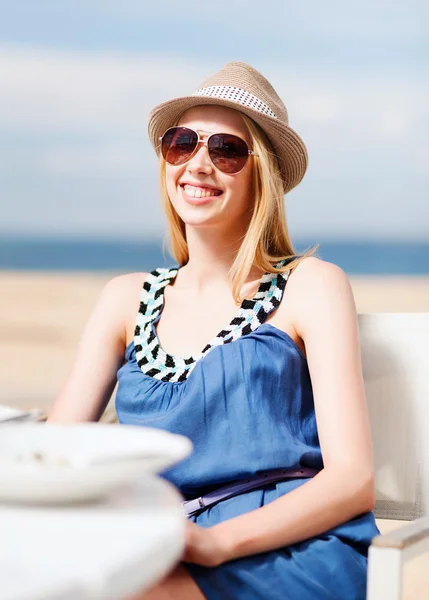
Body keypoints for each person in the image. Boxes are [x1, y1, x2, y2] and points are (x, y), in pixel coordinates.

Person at [48, 61, 381, 599]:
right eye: (183, 144)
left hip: (286, 548)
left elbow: (352, 479)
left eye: (225, 150)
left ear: (261, 174)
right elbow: (55, 457)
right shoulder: (123, 299)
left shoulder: (311, 286)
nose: (199, 164)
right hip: (157, 544)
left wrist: (214, 544)